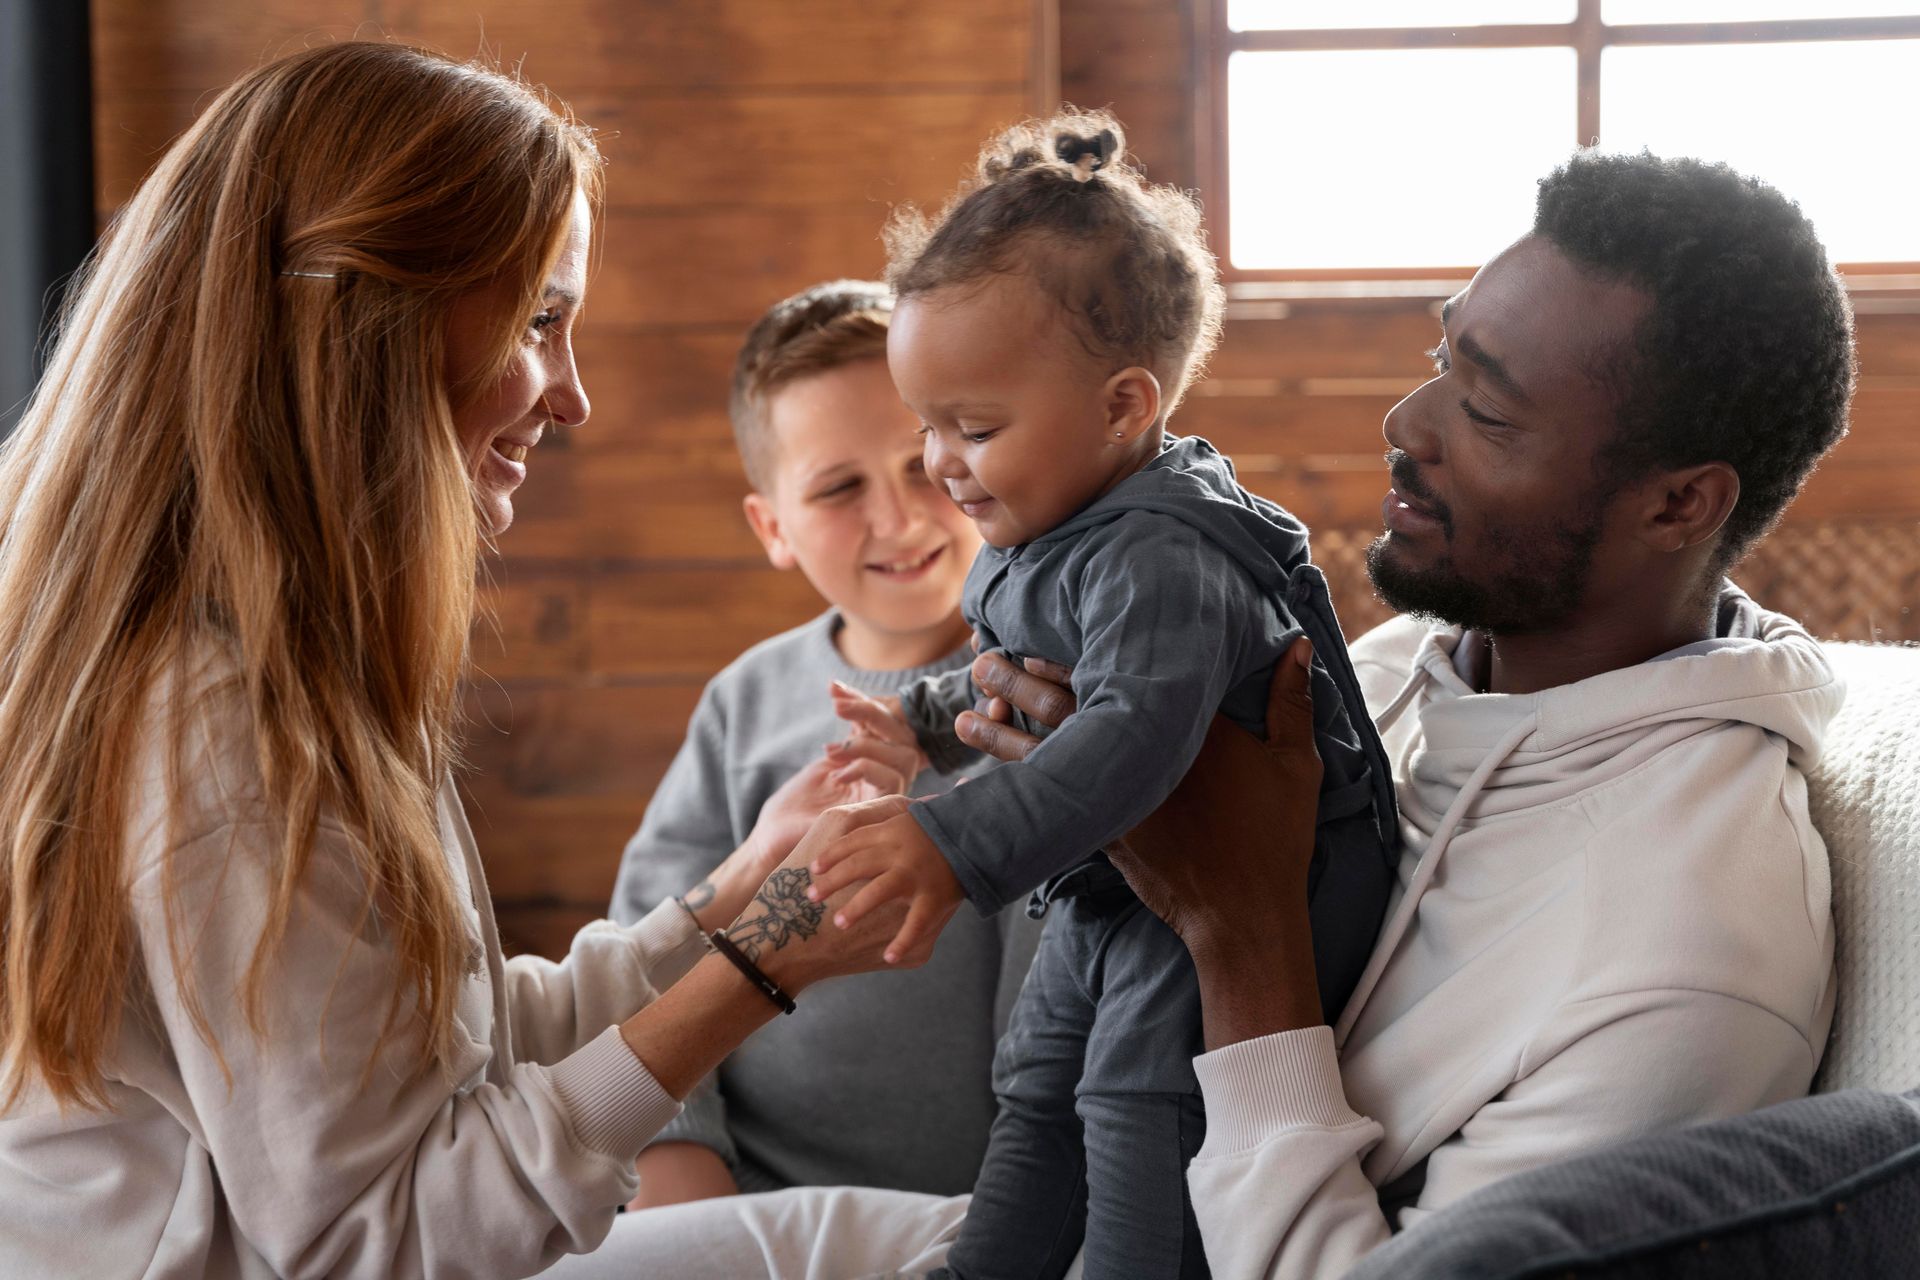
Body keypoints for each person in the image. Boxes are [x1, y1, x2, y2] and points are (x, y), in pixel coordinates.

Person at [604, 151, 1853, 1280]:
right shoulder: (1419, 660)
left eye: (1486, 409)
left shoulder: (1691, 950)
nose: (1403, 427)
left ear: (1680, 504)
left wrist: (1235, 924)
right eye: (1439, 361)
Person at [0, 42, 921, 1280]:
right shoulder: (223, 719)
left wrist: (733, 901)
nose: (575, 398)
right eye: (543, 319)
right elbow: (383, 1240)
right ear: (368, 322)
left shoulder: (281, 657)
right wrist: (762, 965)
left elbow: (452, 1051)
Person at [810, 112, 1400, 1278]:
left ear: (1127, 405)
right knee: (1039, 1080)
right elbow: (1024, 671)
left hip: (1231, 888)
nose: (941, 462)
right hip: (1117, 882)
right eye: (928, 425)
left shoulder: (1163, 558)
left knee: (1135, 1091)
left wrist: (954, 839)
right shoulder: (1065, 521)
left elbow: (1131, 736)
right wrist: (926, 723)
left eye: (974, 427)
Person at [609, 279, 1041, 1207]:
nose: (900, 519)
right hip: (745, 1201)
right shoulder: (746, 704)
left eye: (925, 461)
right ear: (773, 527)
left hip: (982, 1214)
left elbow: (1060, 1014)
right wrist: (680, 1172)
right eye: (841, 487)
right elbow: (648, 949)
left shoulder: (1040, 691)